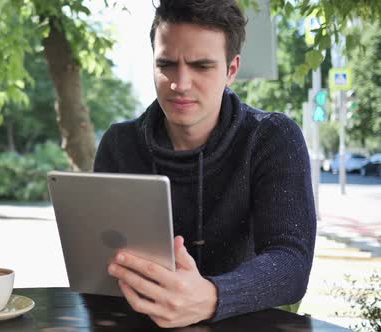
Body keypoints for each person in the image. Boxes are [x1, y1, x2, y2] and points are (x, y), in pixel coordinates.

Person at [94, 0, 316, 328]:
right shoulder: (119, 144)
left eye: (201, 66)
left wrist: (212, 295)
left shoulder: (272, 138)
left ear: (231, 69)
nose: (180, 83)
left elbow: (292, 264)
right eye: (166, 64)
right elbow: (99, 261)